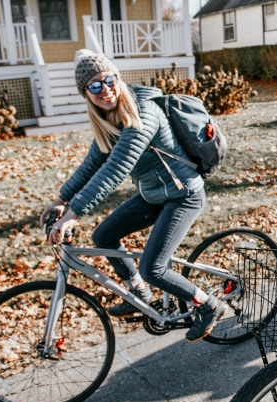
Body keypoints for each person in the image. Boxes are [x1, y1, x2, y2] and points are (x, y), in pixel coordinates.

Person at [39, 49, 226, 342]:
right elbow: (93, 164)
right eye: (95, 86)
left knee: (154, 268)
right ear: (86, 93)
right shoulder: (108, 119)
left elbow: (115, 168)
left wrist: (74, 213)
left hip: (183, 195)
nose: (106, 89)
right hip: (154, 195)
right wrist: (61, 199)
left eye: (109, 79)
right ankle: (138, 292)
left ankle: (208, 304)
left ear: (119, 78)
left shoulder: (143, 112)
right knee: (104, 237)